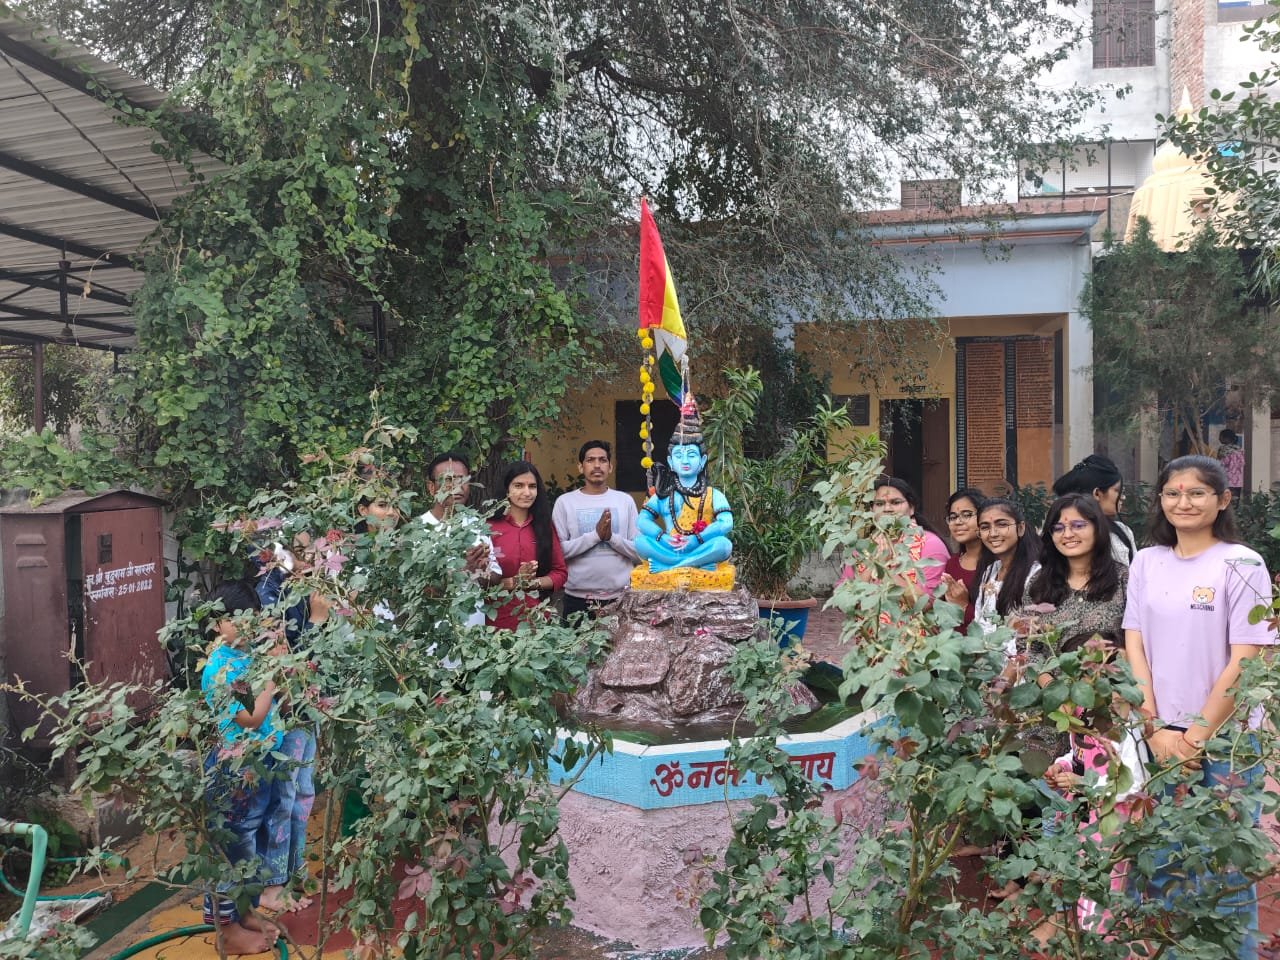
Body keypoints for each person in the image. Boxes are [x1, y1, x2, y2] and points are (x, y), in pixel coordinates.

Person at [1123, 454, 1275, 960]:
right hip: (1158, 734)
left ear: (1223, 500)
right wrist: (1153, 727)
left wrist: (1196, 738)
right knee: (1161, 856)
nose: (1183, 502)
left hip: (1228, 740)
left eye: (1196, 493)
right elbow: (1134, 645)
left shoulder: (1243, 563)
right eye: (1172, 493)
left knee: (1223, 861)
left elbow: (1246, 659)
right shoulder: (1147, 561)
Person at [200, 581, 282, 955]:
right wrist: (271, 678)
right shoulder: (220, 667)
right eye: (237, 619)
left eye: (252, 617)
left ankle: (244, 911)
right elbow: (250, 717)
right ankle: (227, 929)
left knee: (250, 840)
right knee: (231, 847)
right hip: (235, 768)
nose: (247, 625)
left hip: (258, 763)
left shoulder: (246, 655)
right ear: (218, 624)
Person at [635, 398, 734, 573]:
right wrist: (663, 538)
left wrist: (697, 539)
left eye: (692, 455)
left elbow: (726, 523)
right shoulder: (664, 494)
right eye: (679, 455)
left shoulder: (713, 494)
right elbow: (642, 520)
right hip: (670, 546)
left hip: (700, 545)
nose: (685, 461)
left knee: (723, 544)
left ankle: (671, 566)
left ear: (702, 461)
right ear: (670, 461)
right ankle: (693, 563)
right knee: (640, 542)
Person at [552, 440, 640, 620]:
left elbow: (639, 552)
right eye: (590, 460)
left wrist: (611, 538)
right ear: (580, 467)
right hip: (577, 599)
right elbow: (557, 553)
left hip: (622, 597)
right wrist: (595, 536)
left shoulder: (625, 501)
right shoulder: (565, 502)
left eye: (603, 460)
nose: (597, 465)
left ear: (610, 467)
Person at [420, 451, 502, 628]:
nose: (457, 487)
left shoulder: (477, 525)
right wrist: (460, 569)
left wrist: (481, 569)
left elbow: (494, 579)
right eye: (448, 480)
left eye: (462, 480)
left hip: (473, 632)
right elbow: (418, 591)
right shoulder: (418, 530)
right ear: (431, 487)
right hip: (432, 636)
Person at [488, 461, 567, 630]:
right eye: (518, 486)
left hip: (536, 622)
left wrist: (532, 583)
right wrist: (514, 582)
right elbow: (478, 581)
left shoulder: (544, 526)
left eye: (532, 486)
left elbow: (560, 573)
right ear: (506, 489)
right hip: (495, 623)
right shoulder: (488, 527)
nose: (527, 492)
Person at [972, 498, 1041, 642]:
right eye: (985, 527)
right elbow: (980, 623)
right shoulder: (990, 571)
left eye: (1002, 524)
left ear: (1020, 528)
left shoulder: (1035, 574)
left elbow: (1032, 634)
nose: (993, 533)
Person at [867, 476, 950, 595]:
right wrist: (873, 562)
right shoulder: (864, 547)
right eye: (879, 504)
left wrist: (884, 567)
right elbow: (846, 599)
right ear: (871, 510)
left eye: (896, 502)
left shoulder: (930, 544)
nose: (887, 509)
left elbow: (927, 601)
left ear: (911, 508)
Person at [1052, 453, 1136, 564]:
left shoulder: (1123, 530)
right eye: (1117, 490)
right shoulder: (1065, 534)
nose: (1123, 497)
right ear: (1097, 493)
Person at [940, 487, 985, 628]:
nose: (958, 522)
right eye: (953, 517)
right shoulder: (952, 563)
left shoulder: (998, 564)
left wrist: (964, 605)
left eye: (966, 515)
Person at [1216, 428, 1245, 499]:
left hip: (1226, 480)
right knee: (1235, 501)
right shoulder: (1239, 450)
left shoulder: (1223, 449)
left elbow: (1221, 464)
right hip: (1238, 482)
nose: (1219, 438)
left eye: (1220, 436)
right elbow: (1242, 463)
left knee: (1225, 501)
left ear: (1226, 438)